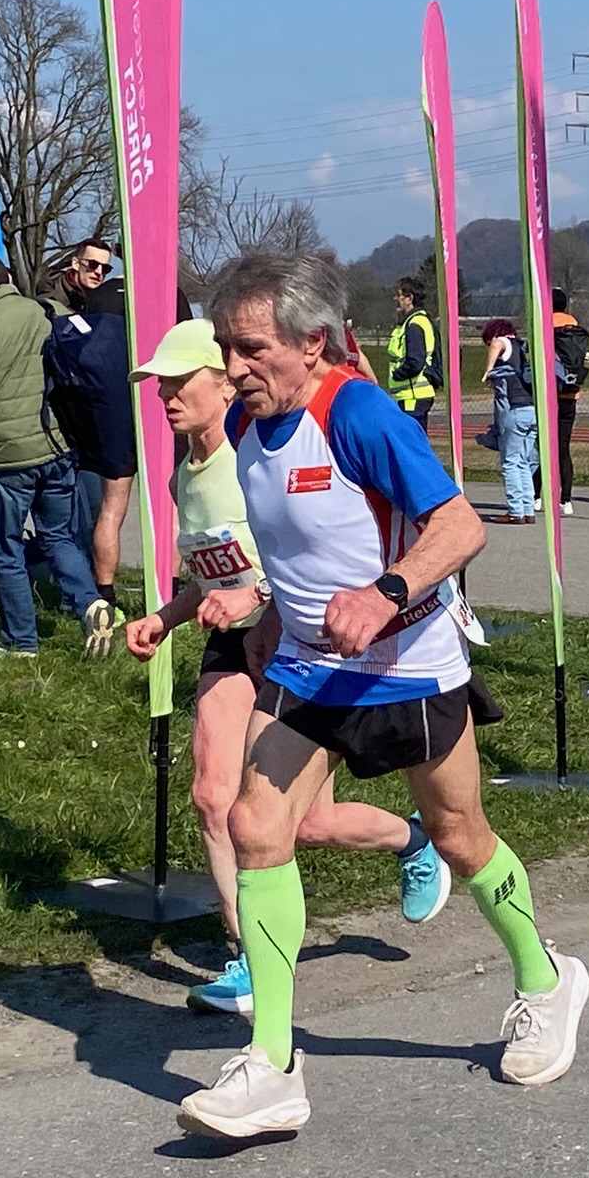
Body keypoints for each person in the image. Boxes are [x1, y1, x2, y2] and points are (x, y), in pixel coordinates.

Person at [177, 251, 589, 1138]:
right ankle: (273, 1065)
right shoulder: (248, 425)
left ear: (311, 343)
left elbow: (460, 526)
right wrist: (267, 607)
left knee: (460, 837)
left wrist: (384, 593)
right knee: (255, 825)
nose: (233, 368)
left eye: (251, 348)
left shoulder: (359, 413)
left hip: (407, 664)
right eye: (225, 348)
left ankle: (547, 980)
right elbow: (297, 544)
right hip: (308, 667)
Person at [121, 318, 449, 1017]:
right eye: (159, 386)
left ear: (224, 384)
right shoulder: (184, 477)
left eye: (180, 382)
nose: (167, 397)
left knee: (309, 823)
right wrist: (165, 618)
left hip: (297, 640)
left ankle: (413, 839)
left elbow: (303, 557)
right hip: (231, 642)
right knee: (214, 797)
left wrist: (258, 596)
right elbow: (212, 575)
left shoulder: (257, 454)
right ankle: (249, 959)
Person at [0, 252, 112, 658]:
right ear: (9, 278)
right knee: (59, 537)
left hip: (7, 457)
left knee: (7, 549)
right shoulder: (47, 311)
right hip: (56, 444)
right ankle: (90, 602)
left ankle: (21, 641)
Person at [41, 274, 135, 625]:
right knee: (127, 510)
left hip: (90, 423)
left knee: (104, 511)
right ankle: (155, 592)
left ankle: (101, 593)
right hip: (125, 418)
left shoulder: (89, 316)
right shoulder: (134, 305)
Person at [481, 318, 537, 524]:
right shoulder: (521, 349)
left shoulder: (503, 342)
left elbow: (497, 343)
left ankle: (515, 511)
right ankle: (527, 509)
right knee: (523, 462)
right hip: (530, 409)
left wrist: (488, 371)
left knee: (511, 463)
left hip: (514, 409)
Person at [549, 288, 589, 514]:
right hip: (571, 393)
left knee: (542, 446)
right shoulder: (574, 326)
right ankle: (566, 499)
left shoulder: (546, 324)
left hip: (550, 394)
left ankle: (537, 494)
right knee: (563, 448)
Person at [385, 278, 441, 432]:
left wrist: (398, 375)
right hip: (409, 395)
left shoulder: (415, 324)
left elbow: (415, 362)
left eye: (399, 296)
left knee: (411, 440)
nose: (395, 299)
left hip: (413, 396)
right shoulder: (412, 322)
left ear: (409, 298)